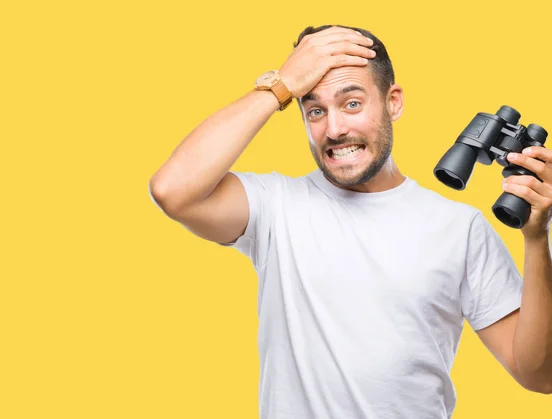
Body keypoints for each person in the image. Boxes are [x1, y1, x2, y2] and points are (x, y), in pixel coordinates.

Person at [149, 24, 552, 418]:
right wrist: (281, 85)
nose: (335, 129)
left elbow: (538, 374)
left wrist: (537, 239)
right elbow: (173, 190)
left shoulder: (459, 228)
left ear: (393, 102)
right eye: (316, 110)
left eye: (352, 103)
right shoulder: (275, 207)